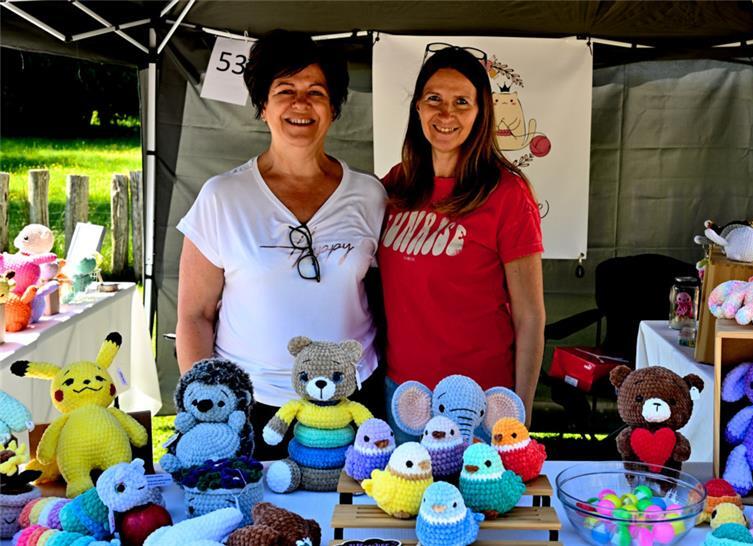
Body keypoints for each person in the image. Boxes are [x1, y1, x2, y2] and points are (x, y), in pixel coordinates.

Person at [176, 30, 386, 459]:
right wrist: (207, 409)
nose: (301, 104)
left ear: (334, 108)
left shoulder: (370, 196)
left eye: (316, 92)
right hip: (248, 406)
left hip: (352, 405)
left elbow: (387, 298)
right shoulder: (222, 197)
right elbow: (195, 316)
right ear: (263, 106)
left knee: (349, 521)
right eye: (285, 90)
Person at [379, 45, 546, 437]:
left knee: (482, 500)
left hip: (482, 401)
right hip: (405, 395)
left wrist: (520, 413)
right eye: (434, 99)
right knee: (403, 500)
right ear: (417, 107)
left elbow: (531, 316)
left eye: (462, 101)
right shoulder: (396, 183)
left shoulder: (507, 194)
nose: (446, 113)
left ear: (481, 111)